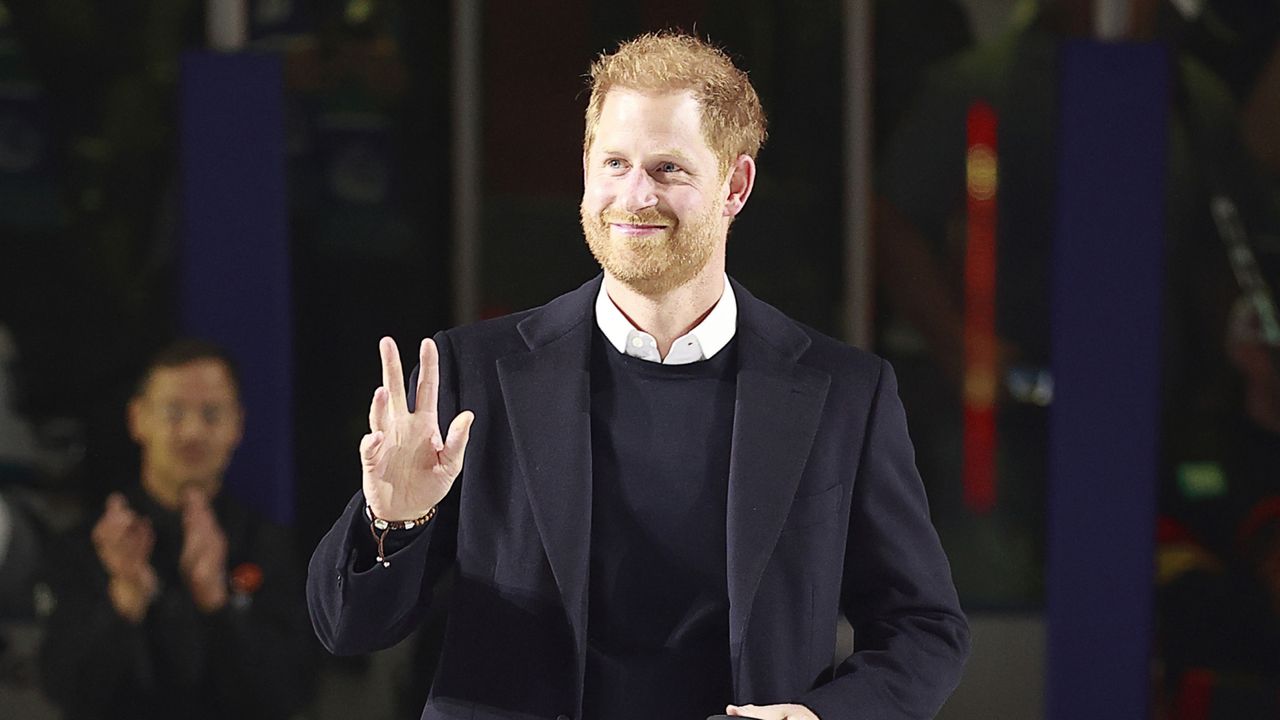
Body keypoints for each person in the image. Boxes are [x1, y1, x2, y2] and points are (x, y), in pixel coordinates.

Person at [307, 32, 969, 720]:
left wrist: (818, 718)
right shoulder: (475, 375)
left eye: (668, 169)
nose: (633, 195)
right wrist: (395, 520)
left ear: (735, 186)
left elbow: (924, 630)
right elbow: (349, 628)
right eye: (614, 163)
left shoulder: (844, 395)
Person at [40, 339, 315, 720]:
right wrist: (123, 598)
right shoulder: (89, 545)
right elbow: (60, 688)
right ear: (137, 419)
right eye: (173, 412)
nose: (192, 432)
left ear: (237, 425)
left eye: (211, 413)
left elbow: (293, 691)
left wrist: (218, 603)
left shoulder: (269, 545)